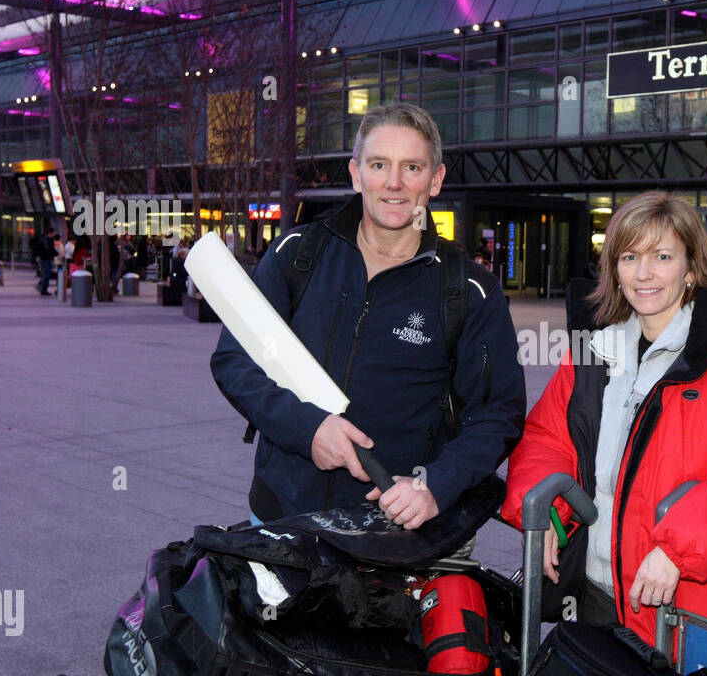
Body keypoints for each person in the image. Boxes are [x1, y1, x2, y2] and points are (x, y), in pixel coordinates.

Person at [501, 191, 707, 645]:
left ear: (690, 268)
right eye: (629, 257)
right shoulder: (594, 349)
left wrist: (680, 547)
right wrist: (544, 506)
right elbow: (548, 437)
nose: (643, 274)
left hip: (688, 602)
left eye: (661, 257)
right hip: (593, 593)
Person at [211, 102, 525, 527]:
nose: (394, 184)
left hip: (392, 533)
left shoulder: (470, 291)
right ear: (356, 173)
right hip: (280, 517)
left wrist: (435, 483)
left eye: (412, 167)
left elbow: (498, 413)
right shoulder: (296, 254)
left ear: (435, 181)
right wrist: (309, 430)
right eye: (379, 165)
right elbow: (235, 360)